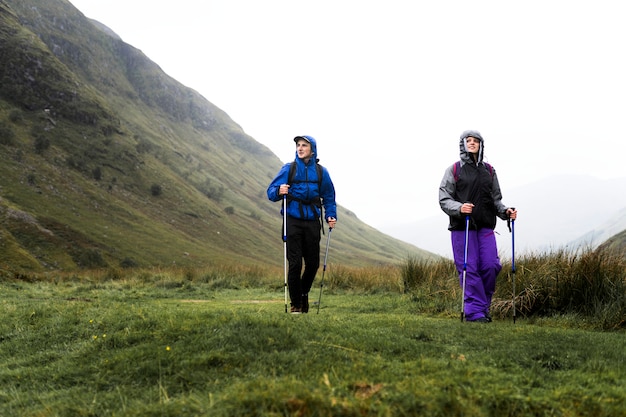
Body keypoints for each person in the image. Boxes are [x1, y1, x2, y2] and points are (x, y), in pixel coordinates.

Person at [439, 130, 517, 323]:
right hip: (462, 227)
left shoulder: (489, 171)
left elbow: (495, 200)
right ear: (463, 144)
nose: (472, 143)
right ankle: (475, 313)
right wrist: (460, 207)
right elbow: (444, 198)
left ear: (481, 145)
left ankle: (483, 308)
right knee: (469, 268)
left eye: (476, 141)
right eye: (469, 141)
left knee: (491, 265)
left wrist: (506, 212)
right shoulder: (454, 170)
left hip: (485, 227)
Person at [267, 135, 337, 314]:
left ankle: (303, 293)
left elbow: (328, 196)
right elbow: (271, 192)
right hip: (292, 220)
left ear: (312, 150)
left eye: (304, 145)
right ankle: (296, 303)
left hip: (313, 220)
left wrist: (331, 215)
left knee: (313, 264)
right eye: (298, 145)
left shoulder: (322, 172)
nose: (300, 148)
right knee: (295, 263)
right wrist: (279, 190)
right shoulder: (289, 169)